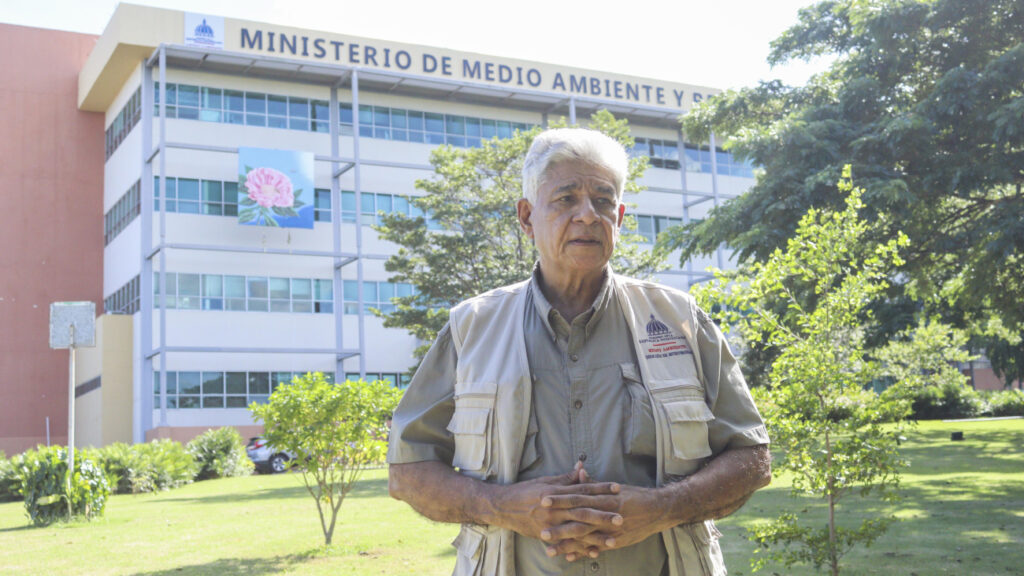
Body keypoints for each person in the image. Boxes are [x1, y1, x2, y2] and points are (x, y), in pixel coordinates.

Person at [387, 128, 771, 576]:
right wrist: (499, 506)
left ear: (621, 218)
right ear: (527, 217)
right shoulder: (472, 327)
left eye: (603, 201)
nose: (588, 215)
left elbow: (751, 457)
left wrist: (663, 507)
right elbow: (408, 472)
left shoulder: (679, 319)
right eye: (566, 199)